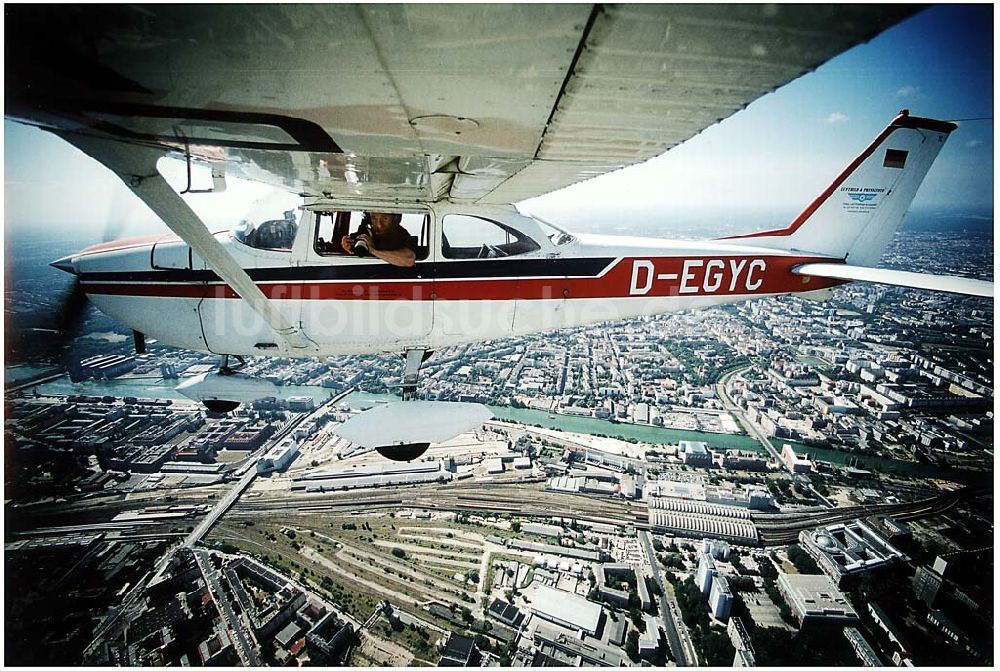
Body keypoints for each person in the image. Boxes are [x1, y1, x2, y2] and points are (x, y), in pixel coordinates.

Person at [341, 212, 416, 267]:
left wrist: (372, 250)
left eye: (385, 218)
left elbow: (409, 260)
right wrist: (347, 247)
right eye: (374, 218)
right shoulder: (364, 234)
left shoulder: (403, 236)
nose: (379, 225)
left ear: (396, 219)